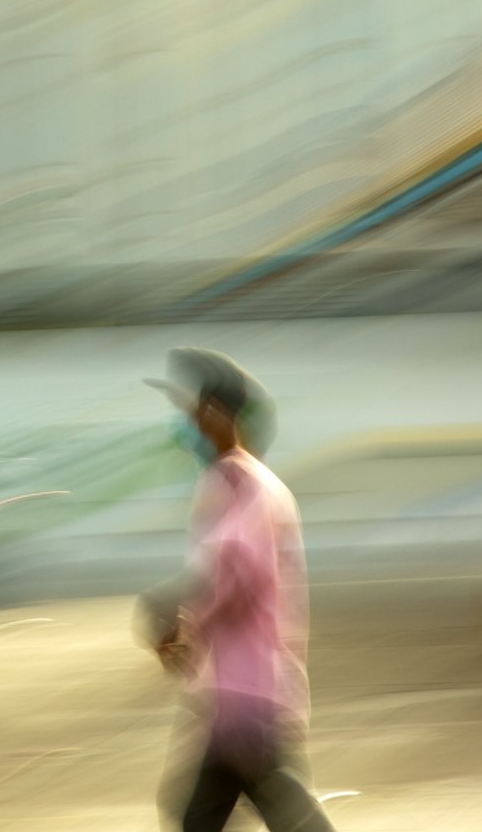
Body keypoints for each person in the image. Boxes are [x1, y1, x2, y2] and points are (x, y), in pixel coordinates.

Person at [137, 347, 336, 832]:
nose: (185, 423)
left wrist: (174, 612)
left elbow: (236, 576)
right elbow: (221, 577)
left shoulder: (248, 488)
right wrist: (185, 628)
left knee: (285, 818)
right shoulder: (225, 484)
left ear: (215, 413)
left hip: (251, 700)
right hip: (232, 702)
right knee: (196, 821)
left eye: (190, 410)